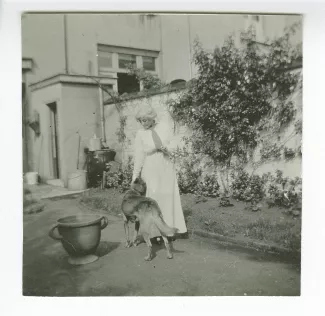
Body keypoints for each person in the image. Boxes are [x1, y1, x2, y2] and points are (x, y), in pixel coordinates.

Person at [132, 105, 187, 239]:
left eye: (145, 120)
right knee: (154, 199)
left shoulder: (163, 128)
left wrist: (166, 148)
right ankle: (155, 233)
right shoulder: (140, 134)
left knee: (168, 197)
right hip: (151, 168)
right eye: (141, 121)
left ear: (152, 118)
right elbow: (139, 157)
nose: (143, 123)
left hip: (166, 166)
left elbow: (174, 144)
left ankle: (170, 230)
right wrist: (134, 176)